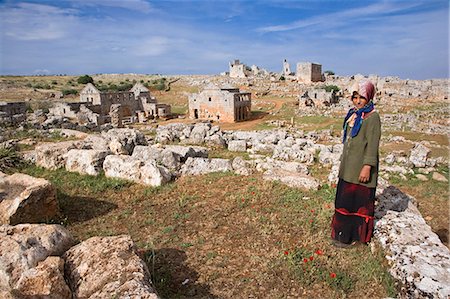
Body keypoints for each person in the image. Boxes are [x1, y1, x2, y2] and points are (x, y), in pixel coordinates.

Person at [331, 80, 381, 248]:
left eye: (362, 97)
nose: (358, 101)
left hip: (361, 169)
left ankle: (356, 237)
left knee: (358, 204)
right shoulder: (354, 114)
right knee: (344, 202)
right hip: (348, 169)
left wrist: (367, 166)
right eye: (355, 97)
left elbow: (372, 144)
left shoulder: (373, 117)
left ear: (369, 98)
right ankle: (341, 235)